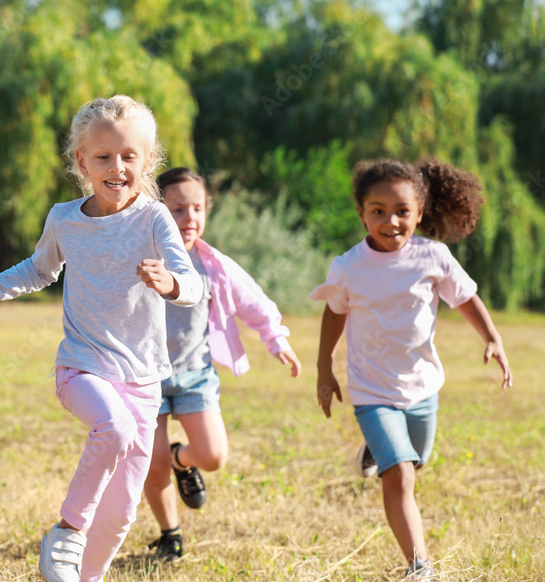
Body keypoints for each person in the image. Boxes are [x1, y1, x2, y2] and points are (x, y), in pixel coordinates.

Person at [0, 95, 202, 582]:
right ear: (81, 161)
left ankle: (82, 575)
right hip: (82, 367)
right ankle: (68, 530)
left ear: (147, 160)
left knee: (121, 514)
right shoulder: (65, 219)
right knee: (111, 428)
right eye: (103, 157)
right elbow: (38, 269)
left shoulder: (155, 219)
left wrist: (172, 284)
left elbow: (194, 286)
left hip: (143, 380)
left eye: (129, 157)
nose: (117, 167)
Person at [311, 157, 513, 581]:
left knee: (415, 461)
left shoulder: (433, 257)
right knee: (399, 476)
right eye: (378, 212)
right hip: (372, 390)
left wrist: (492, 338)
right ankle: (419, 565)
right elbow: (334, 312)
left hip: (422, 387)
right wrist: (324, 366)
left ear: (420, 213)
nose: (391, 222)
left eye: (402, 211)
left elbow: (465, 298)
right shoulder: (348, 267)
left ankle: (377, 451)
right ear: (361, 213)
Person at [143, 167, 301, 561]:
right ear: (156, 212)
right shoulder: (141, 258)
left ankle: (184, 460)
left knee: (212, 456)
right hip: (145, 378)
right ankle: (170, 534)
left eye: (197, 208)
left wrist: (275, 338)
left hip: (195, 375)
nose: (189, 217)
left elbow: (253, 300)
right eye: (177, 209)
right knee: (153, 464)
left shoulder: (213, 265)